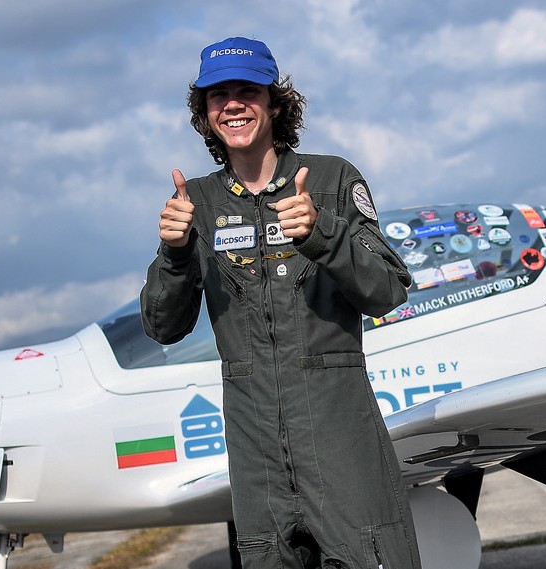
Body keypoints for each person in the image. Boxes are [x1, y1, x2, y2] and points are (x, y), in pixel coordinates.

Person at [140, 37, 422, 569]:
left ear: (274, 102)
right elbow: (163, 327)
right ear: (204, 113)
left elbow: (388, 290)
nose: (233, 104)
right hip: (256, 459)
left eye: (247, 90)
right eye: (217, 95)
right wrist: (175, 254)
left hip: (341, 441)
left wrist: (324, 235)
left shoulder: (332, 178)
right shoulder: (195, 202)